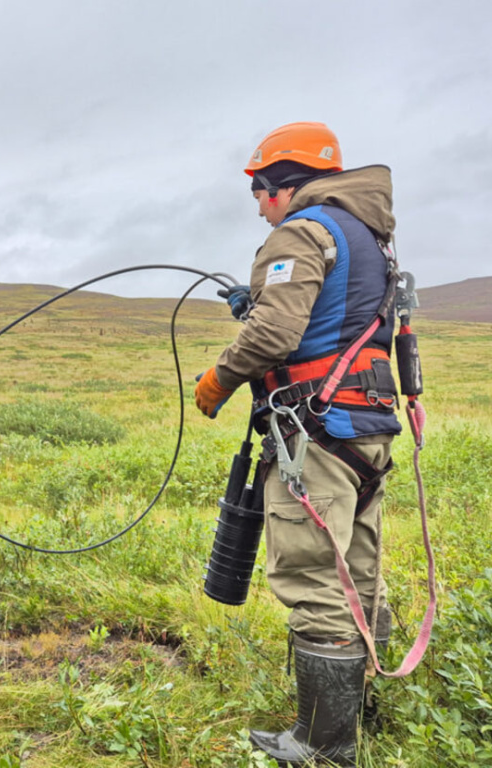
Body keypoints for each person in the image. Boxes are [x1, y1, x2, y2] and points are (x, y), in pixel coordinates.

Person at [194, 122, 401, 766]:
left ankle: (324, 746)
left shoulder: (303, 231)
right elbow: (326, 319)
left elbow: (277, 337)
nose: (258, 204)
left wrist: (218, 378)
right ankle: (362, 712)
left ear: (288, 183)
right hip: (366, 431)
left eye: (259, 189)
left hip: (315, 432)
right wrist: (252, 301)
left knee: (313, 575)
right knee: (358, 572)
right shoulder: (367, 239)